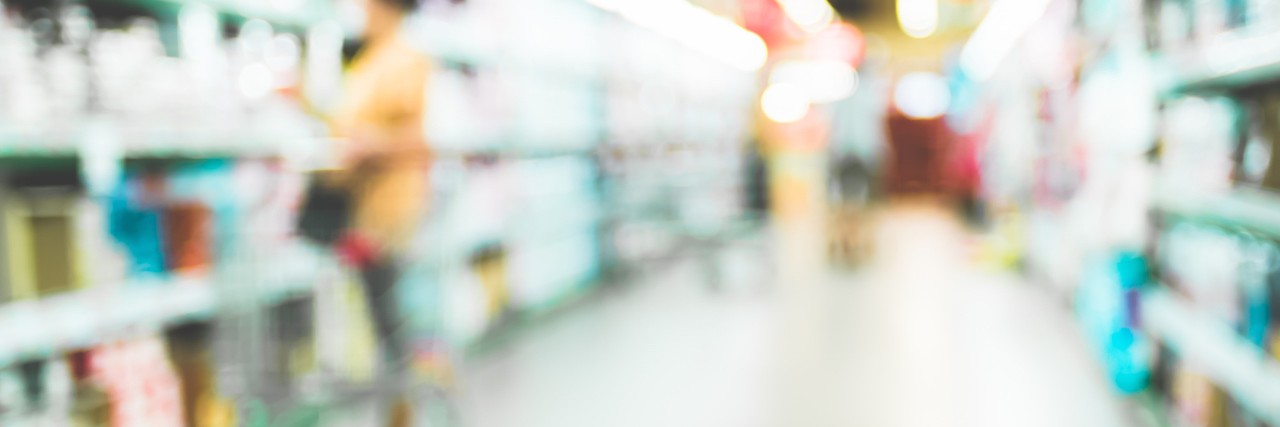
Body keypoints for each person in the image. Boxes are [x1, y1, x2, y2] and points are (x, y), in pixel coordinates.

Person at [328, 0, 437, 424]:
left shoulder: (407, 60)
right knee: (381, 320)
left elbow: (419, 140)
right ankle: (397, 408)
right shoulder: (368, 60)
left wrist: (368, 145)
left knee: (392, 322)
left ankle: (403, 412)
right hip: (362, 208)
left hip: (391, 212)